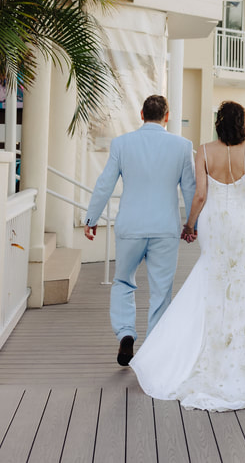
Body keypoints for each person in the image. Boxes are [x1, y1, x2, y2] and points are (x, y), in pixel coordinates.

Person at [130, 100, 245, 411]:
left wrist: (189, 224)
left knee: (212, 275)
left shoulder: (204, 150)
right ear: (242, 122)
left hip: (214, 222)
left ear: (218, 121)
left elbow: (201, 194)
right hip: (242, 224)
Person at [83, 94, 196, 366]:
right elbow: (190, 188)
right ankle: (155, 350)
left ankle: (126, 333)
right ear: (167, 116)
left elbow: (104, 183)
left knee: (122, 282)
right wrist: (192, 226)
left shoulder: (122, 143)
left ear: (141, 115)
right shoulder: (182, 146)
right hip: (165, 229)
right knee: (161, 290)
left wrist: (91, 218)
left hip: (130, 227)